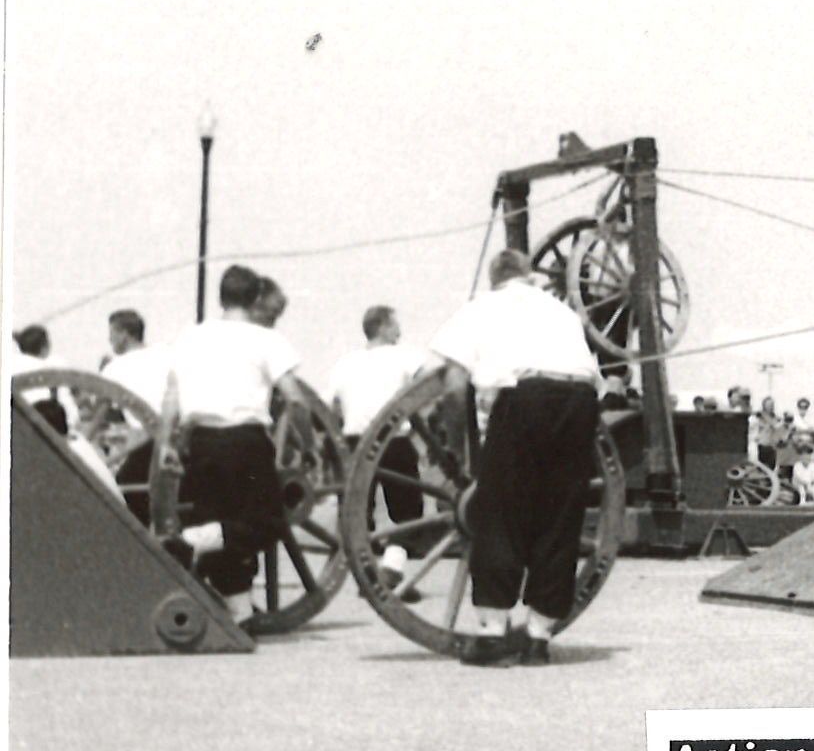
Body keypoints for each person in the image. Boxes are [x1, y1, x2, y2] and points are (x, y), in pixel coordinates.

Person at [425, 249, 599, 668]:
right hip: (580, 400)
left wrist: (457, 448)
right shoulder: (562, 311)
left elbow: (453, 386)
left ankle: (492, 634)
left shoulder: (480, 308)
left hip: (526, 399)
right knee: (560, 517)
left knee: (500, 511)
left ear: (495, 278)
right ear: (529, 275)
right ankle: (538, 639)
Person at [158, 265, 307, 624]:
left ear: (220, 297)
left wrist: (165, 443)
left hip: (201, 442)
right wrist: (309, 444)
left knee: (219, 524)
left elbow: (172, 396)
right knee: (268, 522)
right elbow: (295, 399)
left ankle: (239, 615)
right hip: (245, 441)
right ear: (256, 298)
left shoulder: (190, 338)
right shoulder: (266, 339)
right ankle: (192, 541)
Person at [328, 305, 428, 599]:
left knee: (358, 513)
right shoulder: (405, 356)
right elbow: (428, 386)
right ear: (383, 326)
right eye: (395, 325)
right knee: (408, 511)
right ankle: (392, 570)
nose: (400, 331)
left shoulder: (345, 363)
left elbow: (330, 406)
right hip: (392, 441)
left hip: (354, 443)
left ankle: (368, 576)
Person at [99, 309, 174, 504]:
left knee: (120, 496)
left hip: (147, 441)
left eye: (112, 333)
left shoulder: (114, 368)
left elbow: (101, 413)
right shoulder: (167, 353)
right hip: (176, 435)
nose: (109, 339)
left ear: (124, 334)